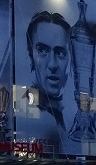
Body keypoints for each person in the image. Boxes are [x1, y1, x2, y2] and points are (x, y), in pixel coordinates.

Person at [19, 11, 74, 145]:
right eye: (42, 50)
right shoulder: (22, 113)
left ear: (70, 59)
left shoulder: (72, 116)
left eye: (60, 53)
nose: (52, 65)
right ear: (30, 56)